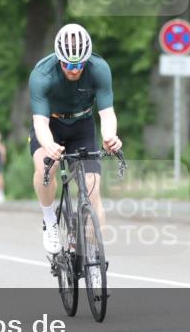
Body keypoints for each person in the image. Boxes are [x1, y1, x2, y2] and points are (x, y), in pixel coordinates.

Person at [29, 23, 122, 256]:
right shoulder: (42, 75)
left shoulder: (99, 69)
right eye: (69, 64)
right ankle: (50, 220)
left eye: (79, 64)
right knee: (45, 171)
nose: (74, 69)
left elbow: (107, 113)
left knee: (92, 188)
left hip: (82, 124)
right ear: (60, 59)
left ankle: (92, 254)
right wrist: (49, 144)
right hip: (51, 123)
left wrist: (110, 137)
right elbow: (40, 122)